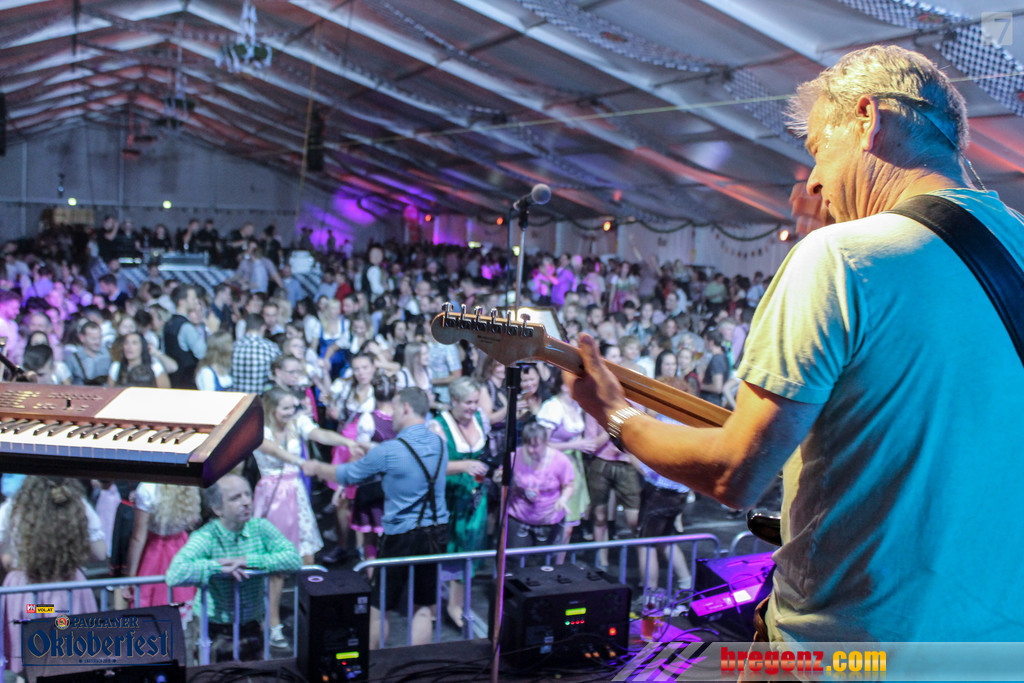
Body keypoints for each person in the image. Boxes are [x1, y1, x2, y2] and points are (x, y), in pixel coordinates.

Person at [567, 45, 1024, 644]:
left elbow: (735, 473)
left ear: (867, 119)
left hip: (847, 655)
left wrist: (613, 413)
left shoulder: (840, 258)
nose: (812, 180)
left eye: (816, 149)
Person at [303, 388, 485, 648]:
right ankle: (415, 664)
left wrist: (317, 467)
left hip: (401, 535)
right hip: (436, 533)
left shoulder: (391, 450)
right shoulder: (439, 444)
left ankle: (377, 664)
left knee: (379, 607)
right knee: (423, 607)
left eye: (396, 408)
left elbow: (348, 475)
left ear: (407, 408)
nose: (393, 415)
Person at [166, 474, 302, 662]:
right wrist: (216, 567)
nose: (246, 502)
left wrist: (249, 560)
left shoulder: (261, 528)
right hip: (214, 630)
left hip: (253, 626)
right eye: (235, 498)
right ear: (217, 509)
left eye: (247, 494)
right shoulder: (207, 536)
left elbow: (293, 560)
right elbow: (175, 574)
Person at [0, 477, 104, 672]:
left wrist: (12, 559)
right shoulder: (79, 504)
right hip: (67, 592)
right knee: (70, 654)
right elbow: (99, 553)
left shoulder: (13, 507)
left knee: (29, 658)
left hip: (27, 597)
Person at [427, 377, 490, 628]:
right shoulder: (438, 426)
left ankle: (456, 605)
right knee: (443, 552)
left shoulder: (480, 418)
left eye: (475, 402)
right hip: (448, 499)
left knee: (468, 552)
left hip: (474, 499)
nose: (473, 407)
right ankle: (431, 605)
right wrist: (464, 465)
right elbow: (432, 467)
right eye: (468, 402)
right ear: (453, 400)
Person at [123, 483, 201, 621]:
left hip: (155, 553)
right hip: (181, 547)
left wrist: (130, 578)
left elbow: (138, 538)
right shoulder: (186, 483)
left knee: (151, 607)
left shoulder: (148, 488)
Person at [504, 420, 574, 551]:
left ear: (545, 442)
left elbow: (569, 485)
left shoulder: (560, 460)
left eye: (535, 446)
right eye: (527, 445)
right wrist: (499, 477)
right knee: (515, 559)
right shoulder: (515, 456)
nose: (531, 450)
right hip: (519, 516)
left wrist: (563, 499)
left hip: (548, 518)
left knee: (545, 560)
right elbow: (502, 476)